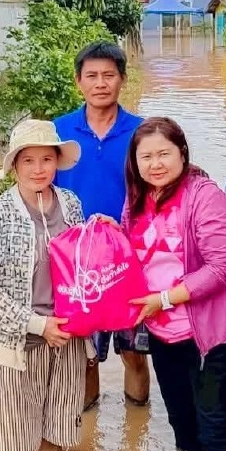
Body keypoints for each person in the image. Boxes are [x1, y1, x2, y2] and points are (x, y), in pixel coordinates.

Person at [122, 117, 226, 451]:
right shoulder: (138, 199)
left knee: (216, 428)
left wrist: (163, 299)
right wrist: (109, 233)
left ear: (182, 152)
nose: (155, 164)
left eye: (164, 153)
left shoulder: (205, 195)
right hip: (164, 333)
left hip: (209, 333)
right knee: (182, 424)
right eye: (145, 156)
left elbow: (223, 268)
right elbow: (134, 257)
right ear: (134, 161)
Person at [0, 118, 89, 451]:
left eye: (46, 159)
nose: (39, 169)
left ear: (57, 162)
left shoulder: (69, 203)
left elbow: (84, 266)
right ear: (15, 166)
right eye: (28, 161)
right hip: (17, 342)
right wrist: (38, 323)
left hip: (67, 336)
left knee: (54, 443)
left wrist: (101, 231)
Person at [53, 40, 150, 410]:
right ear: (79, 81)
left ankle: (138, 426)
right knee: (85, 355)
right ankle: (88, 426)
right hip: (75, 265)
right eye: (91, 75)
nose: (100, 83)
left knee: (134, 353)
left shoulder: (142, 132)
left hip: (129, 259)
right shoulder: (58, 131)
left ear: (123, 79)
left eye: (109, 75)